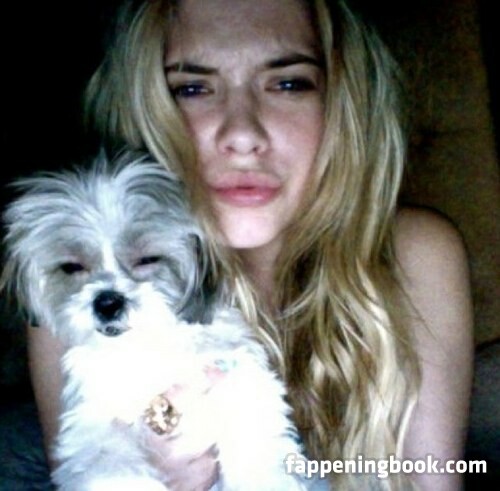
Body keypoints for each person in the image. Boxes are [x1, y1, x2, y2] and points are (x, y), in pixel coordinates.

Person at [24, 0, 473, 490]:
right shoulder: (71, 284)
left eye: (288, 84)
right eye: (192, 88)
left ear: (344, 105)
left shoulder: (413, 253)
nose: (242, 134)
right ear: (142, 107)